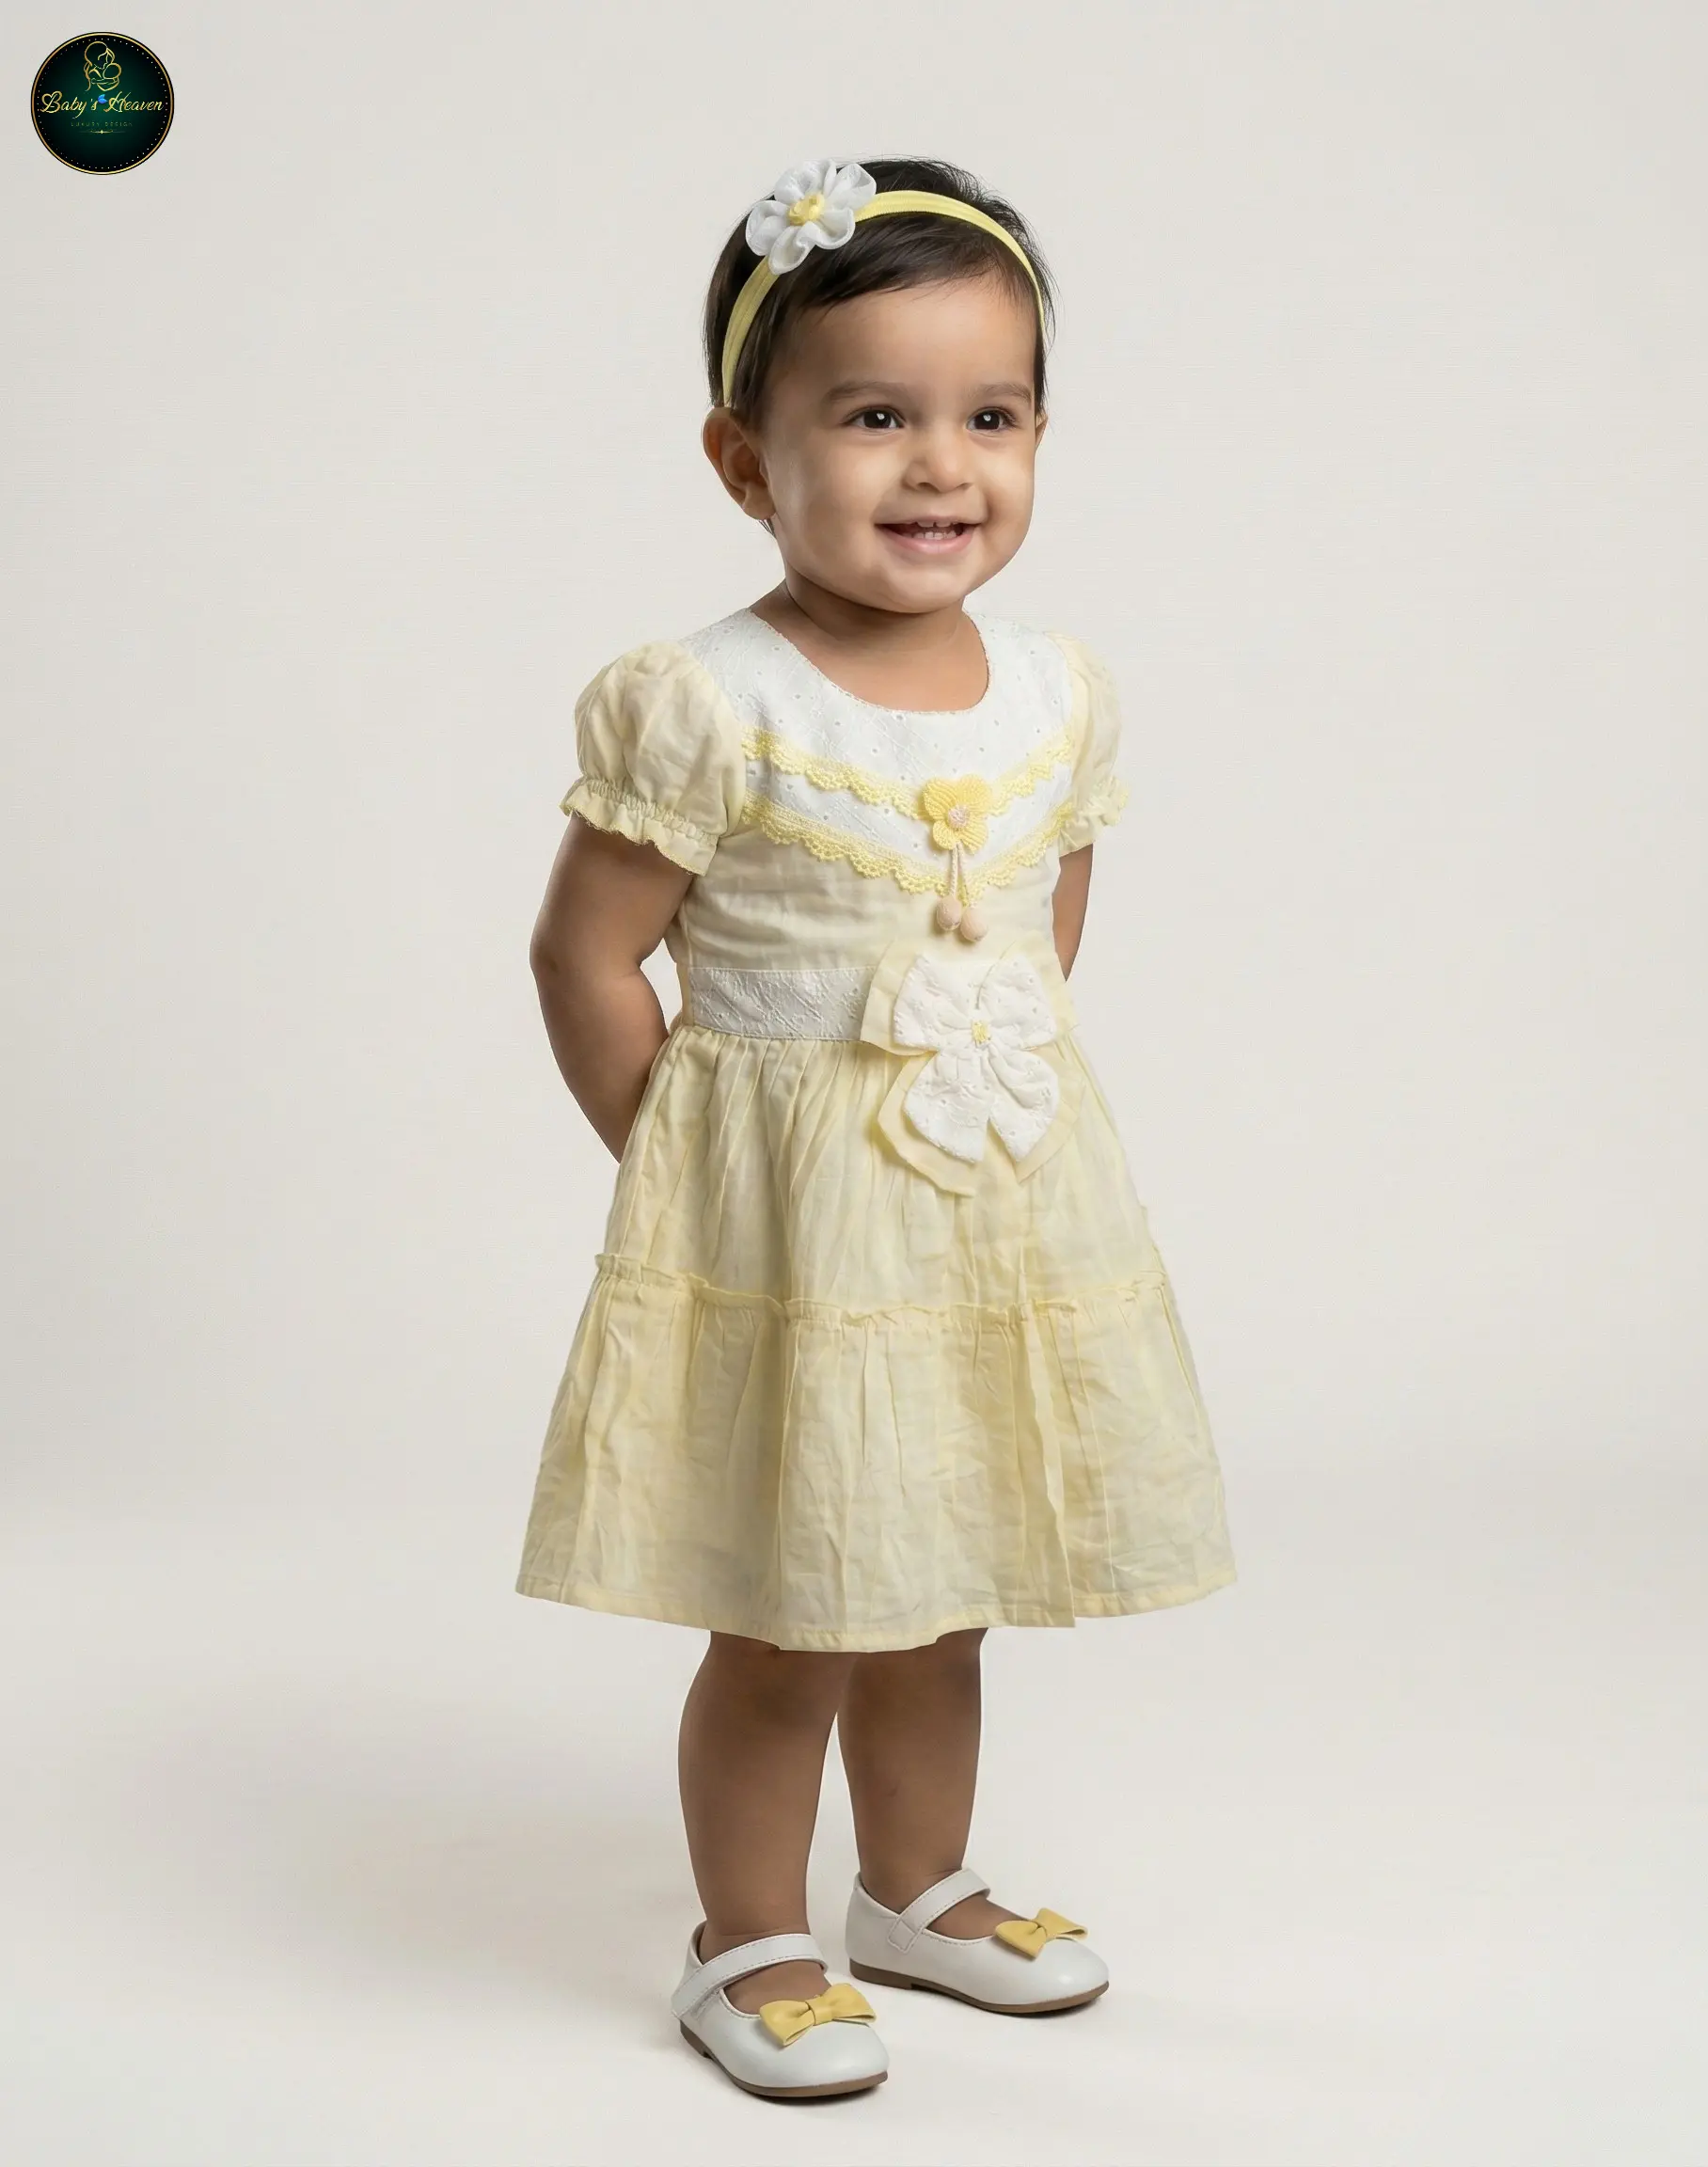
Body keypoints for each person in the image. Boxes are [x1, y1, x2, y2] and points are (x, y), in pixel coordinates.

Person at [518, 155, 1237, 2102]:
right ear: (743, 460)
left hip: (984, 1207)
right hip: (791, 1238)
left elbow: (1042, 922)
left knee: (943, 1583)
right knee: (794, 1610)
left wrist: (982, 1074)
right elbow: (586, 956)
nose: (941, 466)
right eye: (872, 417)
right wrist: (689, 1170)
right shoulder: (708, 702)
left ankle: (915, 1888)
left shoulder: (1055, 691)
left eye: (991, 416)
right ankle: (744, 1932)